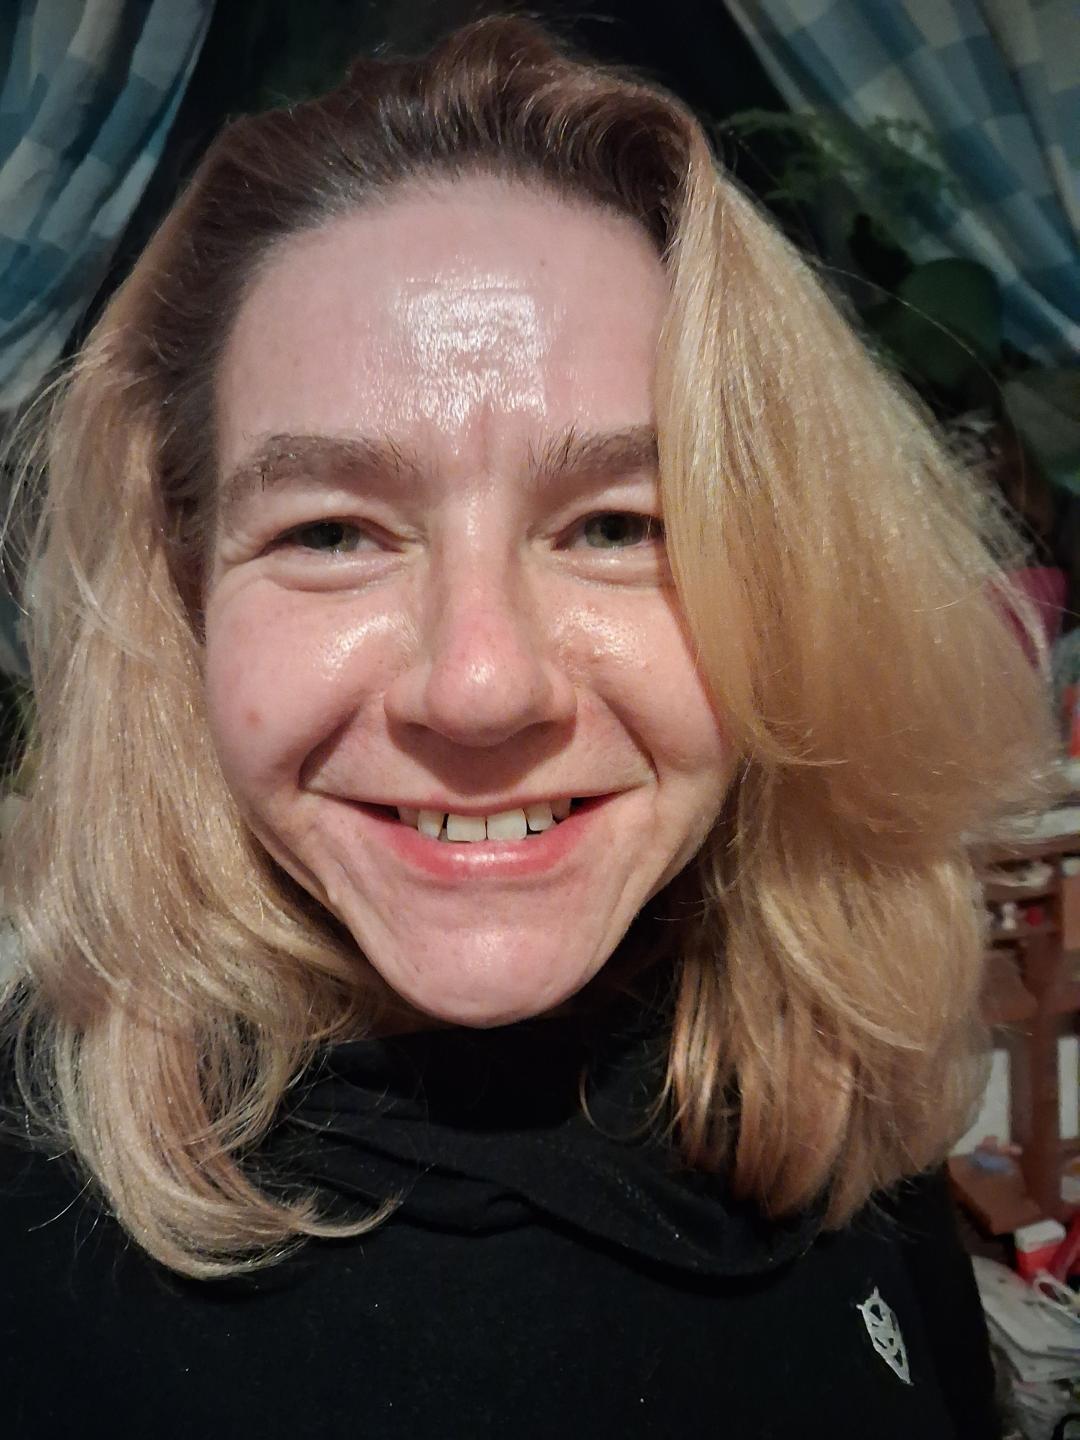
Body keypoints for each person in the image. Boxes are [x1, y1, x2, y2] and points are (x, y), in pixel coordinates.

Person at [0, 16, 1059, 1438]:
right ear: (186, 596)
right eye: (331, 533)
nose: (481, 686)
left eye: (618, 526)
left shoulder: (829, 1085)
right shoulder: (36, 1267)